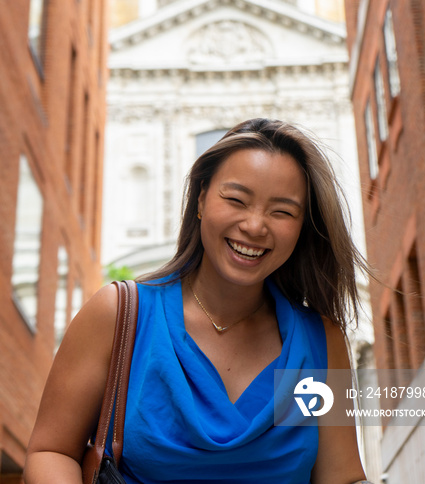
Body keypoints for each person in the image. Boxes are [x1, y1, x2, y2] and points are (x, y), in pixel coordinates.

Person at [25, 118, 373, 484]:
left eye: (282, 211)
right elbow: (52, 452)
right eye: (236, 199)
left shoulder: (320, 342)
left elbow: (342, 477)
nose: (255, 226)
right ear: (202, 199)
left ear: (303, 227)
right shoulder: (119, 315)